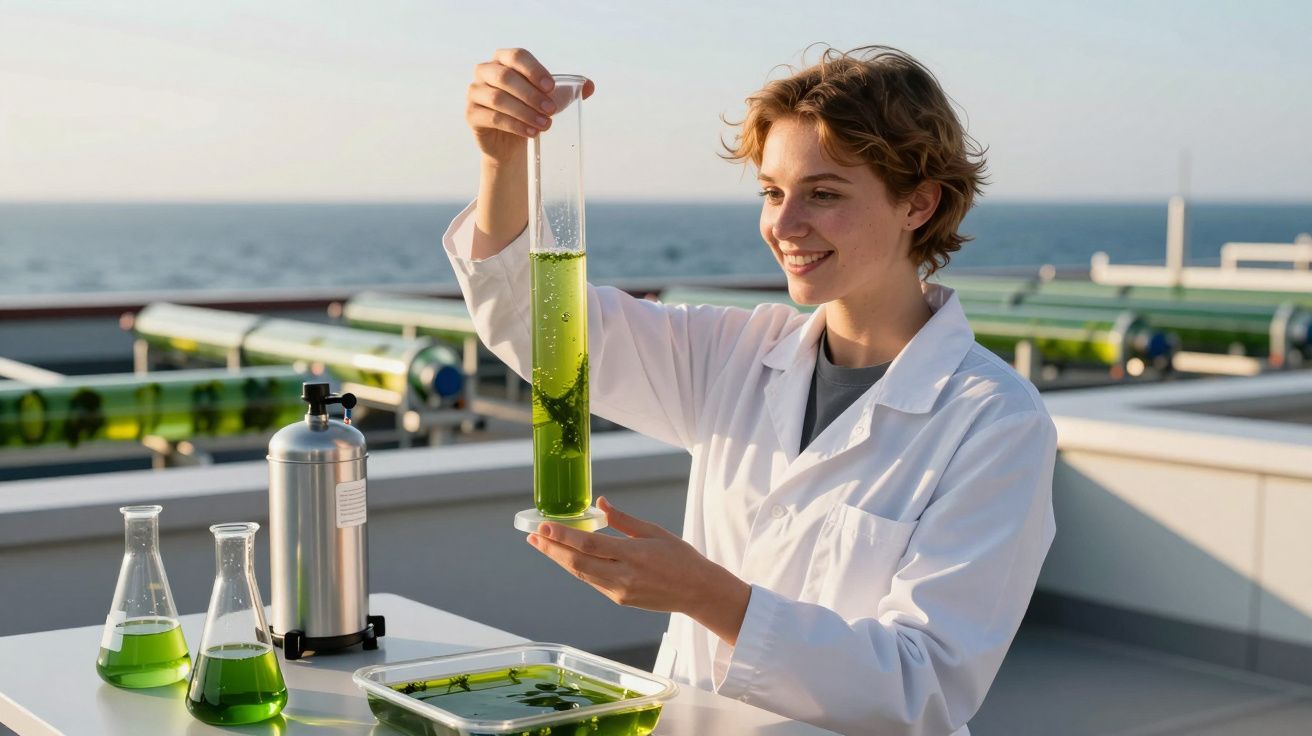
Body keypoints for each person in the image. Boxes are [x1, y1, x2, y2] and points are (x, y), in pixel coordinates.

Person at [445, 45, 1057, 736]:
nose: (784, 225)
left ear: (918, 202)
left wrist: (705, 595)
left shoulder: (995, 422)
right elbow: (541, 330)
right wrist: (503, 159)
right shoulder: (736, 355)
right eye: (771, 192)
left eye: (823, 194)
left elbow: (925, 686)